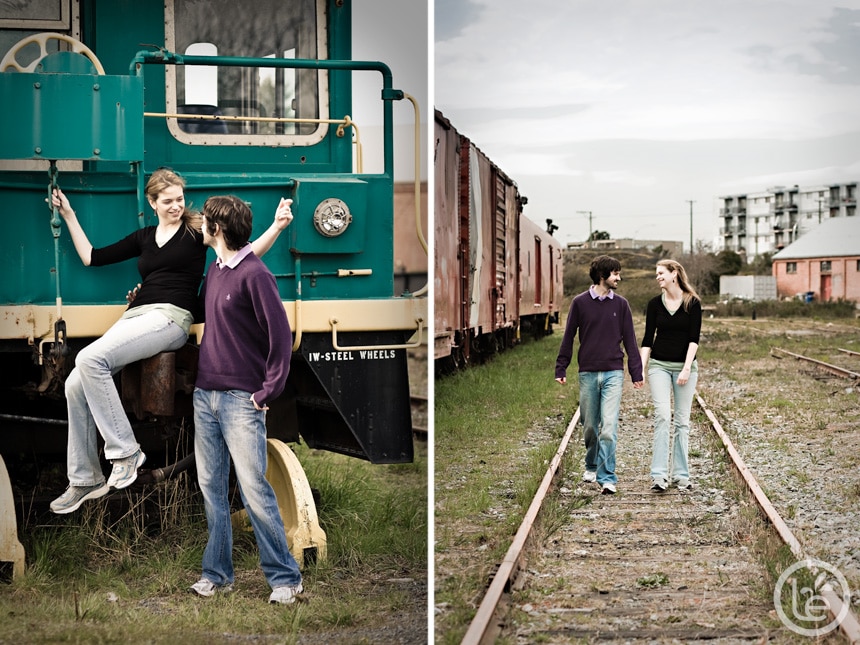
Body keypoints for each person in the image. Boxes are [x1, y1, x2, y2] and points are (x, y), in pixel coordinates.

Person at [49, 168, 293, 514]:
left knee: (89, 360)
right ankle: (85, 477)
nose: (177, 205)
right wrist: (69, 215)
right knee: (76, 382)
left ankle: (126, 454)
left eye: (180, 198)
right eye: (168, 201)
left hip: (171, 318)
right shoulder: (144, 237)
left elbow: (245, 254)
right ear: (153, 203)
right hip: (135, 316)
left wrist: (277, 227)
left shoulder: (197, 231)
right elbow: (92, 256)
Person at [190, 195, 303, 605]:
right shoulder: (219, 266)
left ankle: (285, 578)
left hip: (241, 400)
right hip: (206, 396)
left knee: (254, 488)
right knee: (212, 489)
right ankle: (217, 575)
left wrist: (267, 390)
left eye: (204, 222)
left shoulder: (256, 276)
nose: (200, 226)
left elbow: (280, 337)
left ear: (216, 230)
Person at [555, 255, 643, 495]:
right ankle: (591, 464)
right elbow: (569, 336)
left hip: (614, 371)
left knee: (609, 427)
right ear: (603, 276)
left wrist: (636, 372)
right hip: (588, 373)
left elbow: (630, 340)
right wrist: (561, 367)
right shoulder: (580, 303)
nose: (619, 278)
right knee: (591, 426)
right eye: (615, 273)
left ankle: (607, 477)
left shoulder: (621, 304)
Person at [640, 259, 702, 492]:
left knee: (682, 422)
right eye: (656, 274)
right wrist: (642, 368)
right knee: (663, 416)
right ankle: (659, 476)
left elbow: (694, 339)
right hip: (659, 366)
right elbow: (647, 339)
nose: (657, 277)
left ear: (674, 274)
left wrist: (686, 368)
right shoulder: (655, 304)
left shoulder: (692, 303)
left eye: (661, 273)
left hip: (685, 367)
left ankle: (681, 475)